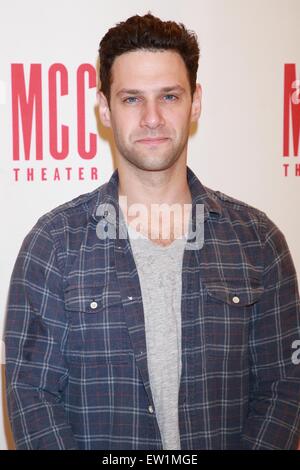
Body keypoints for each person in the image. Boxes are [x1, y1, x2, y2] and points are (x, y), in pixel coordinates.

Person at [4, 12, 300, 450]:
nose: (152, 118)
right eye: (131, 99)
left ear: (195, 101)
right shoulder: (52, 246)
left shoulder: (258, 242)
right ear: (104, 107)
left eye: (169, 96)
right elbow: (31, 397)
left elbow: (284, 387)